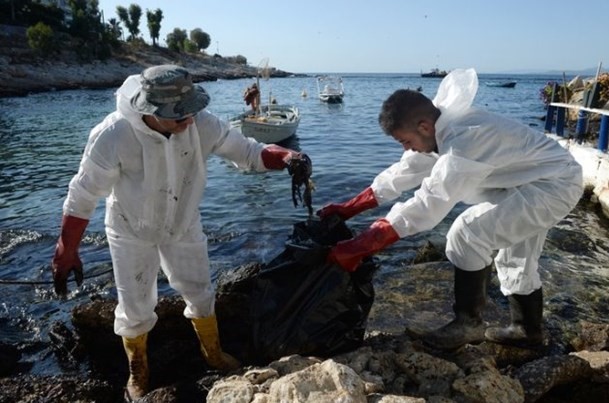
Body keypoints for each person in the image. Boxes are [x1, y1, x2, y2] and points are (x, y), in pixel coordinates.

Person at [51, 64, 311, 399]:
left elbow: (250, 152)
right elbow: (82, 196)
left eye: (191, 111)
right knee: (135, 306)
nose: (188, 120)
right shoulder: (114, 135)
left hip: (184, 224)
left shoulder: (200, 122)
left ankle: (213, 354)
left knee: (201, 290)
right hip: (131, 231)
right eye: (178, 116)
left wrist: (289, 157)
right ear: (150, 110)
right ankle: (139, 370)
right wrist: (67, 249)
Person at [318, 68, 583, 351]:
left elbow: (429, 204)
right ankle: (528, 331)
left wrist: (361, 245)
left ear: (423, 127)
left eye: (406, 141)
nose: (408, 149)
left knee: (468, 234)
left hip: (554, 185)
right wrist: (348, 208)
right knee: (514, 255)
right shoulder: (440, 127)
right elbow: (404, 171)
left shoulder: (464, 140)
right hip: (530, 180)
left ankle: (468, 323)